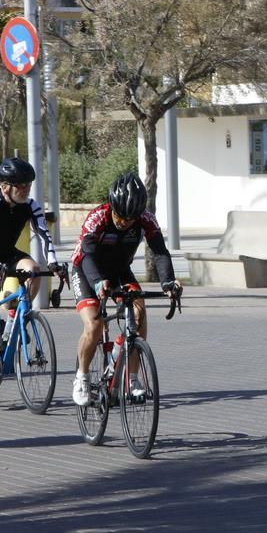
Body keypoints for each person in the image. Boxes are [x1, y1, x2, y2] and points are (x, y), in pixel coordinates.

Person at [69, 171, 180, 407]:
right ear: (112, 207)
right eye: (120, 217)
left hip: (119, 271)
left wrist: (168, 282)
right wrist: (98, 282)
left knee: (139, 313)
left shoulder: (146, 219)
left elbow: (160, 251)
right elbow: (87, 255)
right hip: (87, 271)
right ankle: (82, 376)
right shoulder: (97, 217)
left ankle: (132, 377)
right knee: (95, 324)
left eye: (130, 219)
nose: (124, 223)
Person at [0, 156, 55, 382]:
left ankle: (17, 319)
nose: (25, 190)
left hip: (6, 253)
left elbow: (44, 234)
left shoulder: (30, 205)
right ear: (4, 187)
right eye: (20, 186)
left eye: (28, 185)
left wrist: (53, 261)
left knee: (34, 270)